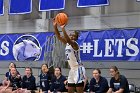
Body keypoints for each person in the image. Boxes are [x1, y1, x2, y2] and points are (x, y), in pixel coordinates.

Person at [53, 18, 86, 93]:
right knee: (70, 90)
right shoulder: (68, 43)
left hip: (78, 69)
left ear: (76, 37)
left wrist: (63, 28)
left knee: (79, 91)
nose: (71, 36)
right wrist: (55, 26)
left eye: (73, 35)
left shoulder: (74, 44)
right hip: (72, 69)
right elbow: (58, 36)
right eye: (70, 35)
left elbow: (68, 40)